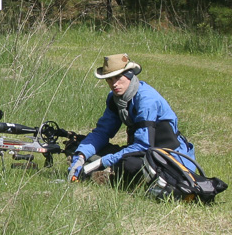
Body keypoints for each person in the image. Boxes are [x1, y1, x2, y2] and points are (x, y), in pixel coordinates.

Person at [67, 53, 195, 184]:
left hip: (169, 157)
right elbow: (102, 132)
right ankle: (97, 171)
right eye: (109, 79)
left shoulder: (146, 99)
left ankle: (108, 175)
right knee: (79, 145)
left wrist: (102, 161)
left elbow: (143, 145)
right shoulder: (115, 99)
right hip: (142, 152)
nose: (114, 84)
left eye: (118, 78)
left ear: (129, 75)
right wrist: (80, 156)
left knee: (129, 164)